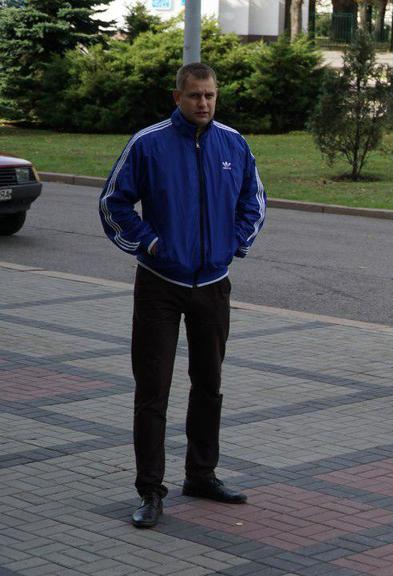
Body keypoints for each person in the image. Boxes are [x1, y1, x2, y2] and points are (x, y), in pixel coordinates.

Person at [99, 63, 267, 529]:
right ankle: (150, 490)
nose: (204, 104)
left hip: (213, 286)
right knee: (153, 392)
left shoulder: (233, 143)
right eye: (195, 95)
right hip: (159, 285)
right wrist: (150, 243)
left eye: (211, 95)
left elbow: (253, 201)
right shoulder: (148, 144)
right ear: (177, 97)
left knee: (209, 385)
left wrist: (233, 244)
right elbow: (112, 203)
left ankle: (202, 474)